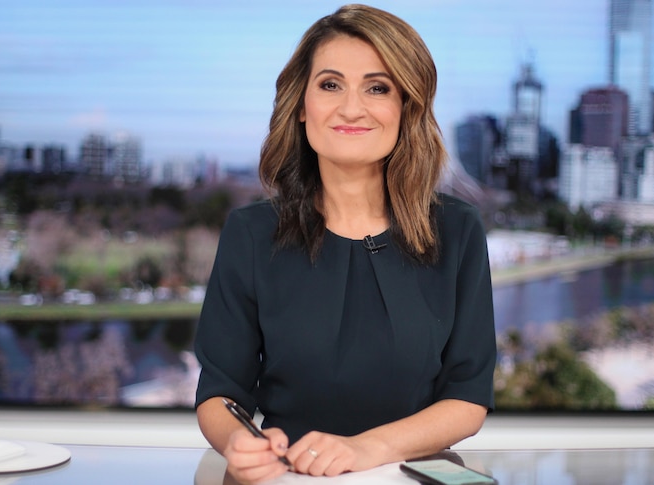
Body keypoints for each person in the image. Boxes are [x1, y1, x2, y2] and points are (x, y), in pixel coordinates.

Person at [194, 4, 496, 484]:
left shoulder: (458, 231)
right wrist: (240, 443)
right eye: (330, 84)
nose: (351, 108)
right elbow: (220, 392)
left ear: (406, 107)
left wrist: (364, 449)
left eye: (378, 88)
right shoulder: (250, 234)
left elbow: (467, 398)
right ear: (300, 104)